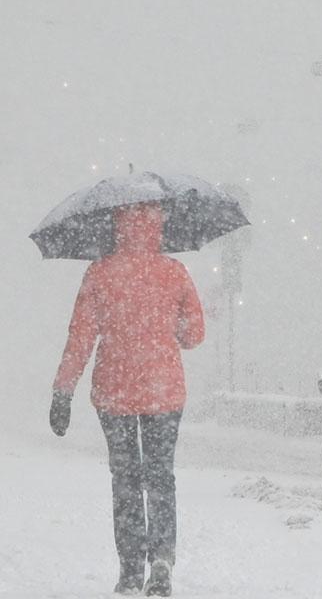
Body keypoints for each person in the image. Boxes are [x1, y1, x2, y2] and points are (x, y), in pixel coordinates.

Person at [51, 202, 206, 597]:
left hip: (114, 392)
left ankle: (130, 569)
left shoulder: (100, 272)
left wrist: (62, 391)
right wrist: (164, 324)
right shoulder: (174, 272)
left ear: (117, 226)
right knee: (160, 477)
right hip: (164, 391)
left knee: (125, 480)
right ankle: (162, 559)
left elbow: (80, 337)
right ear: (159, 226)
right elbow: (193, 337)